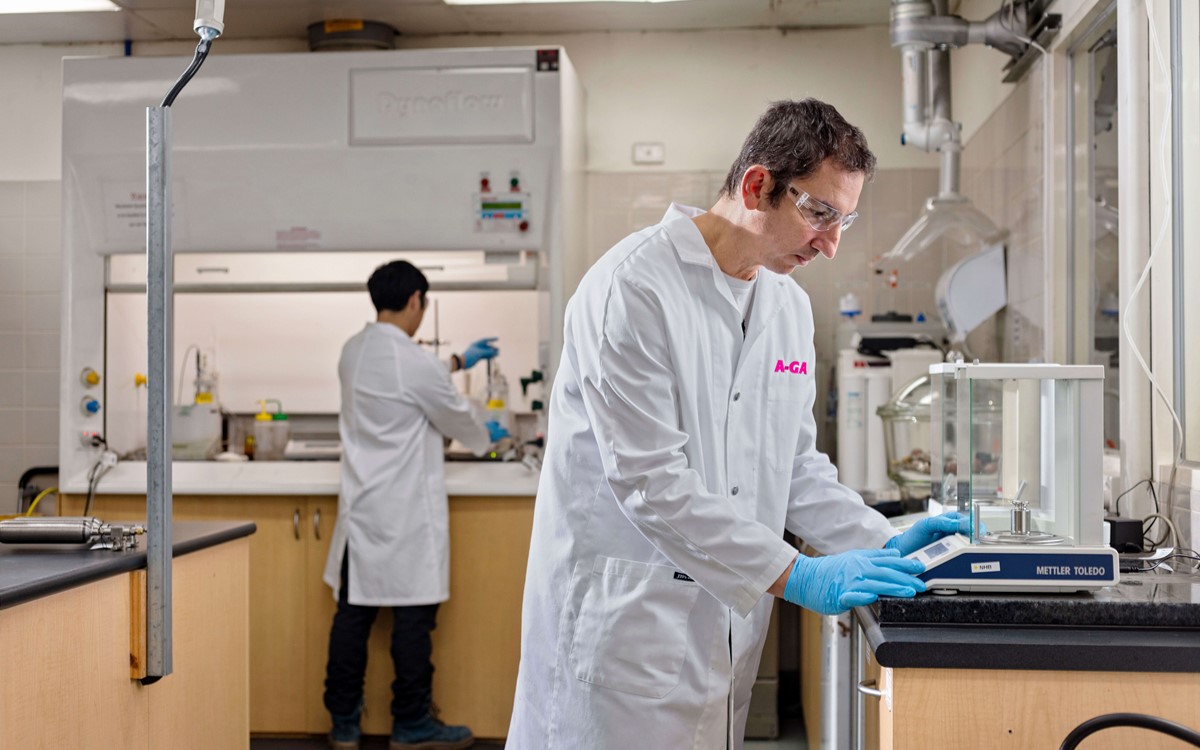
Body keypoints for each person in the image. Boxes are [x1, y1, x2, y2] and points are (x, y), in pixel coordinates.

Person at [505, 99, 967, 750]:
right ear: (757, 186)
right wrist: (800, 575)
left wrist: (880, 540)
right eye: (820, 214)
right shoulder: (632, 290)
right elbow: (650, 484)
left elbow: (796, 467)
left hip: (719, 639)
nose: (832, 244)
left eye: (846, 220)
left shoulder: (785, 307)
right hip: (623, 639)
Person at [323, 260, 504, 750]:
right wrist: (488, 437)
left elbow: (409, 380)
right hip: (404, 512)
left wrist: (458, 362)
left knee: (352, 619)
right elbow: (452, 414)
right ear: (415, 301)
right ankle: (411, 723)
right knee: (413, 620)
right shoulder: (412, 360)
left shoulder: (353, 350)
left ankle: (343, 722)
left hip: (361, 510)